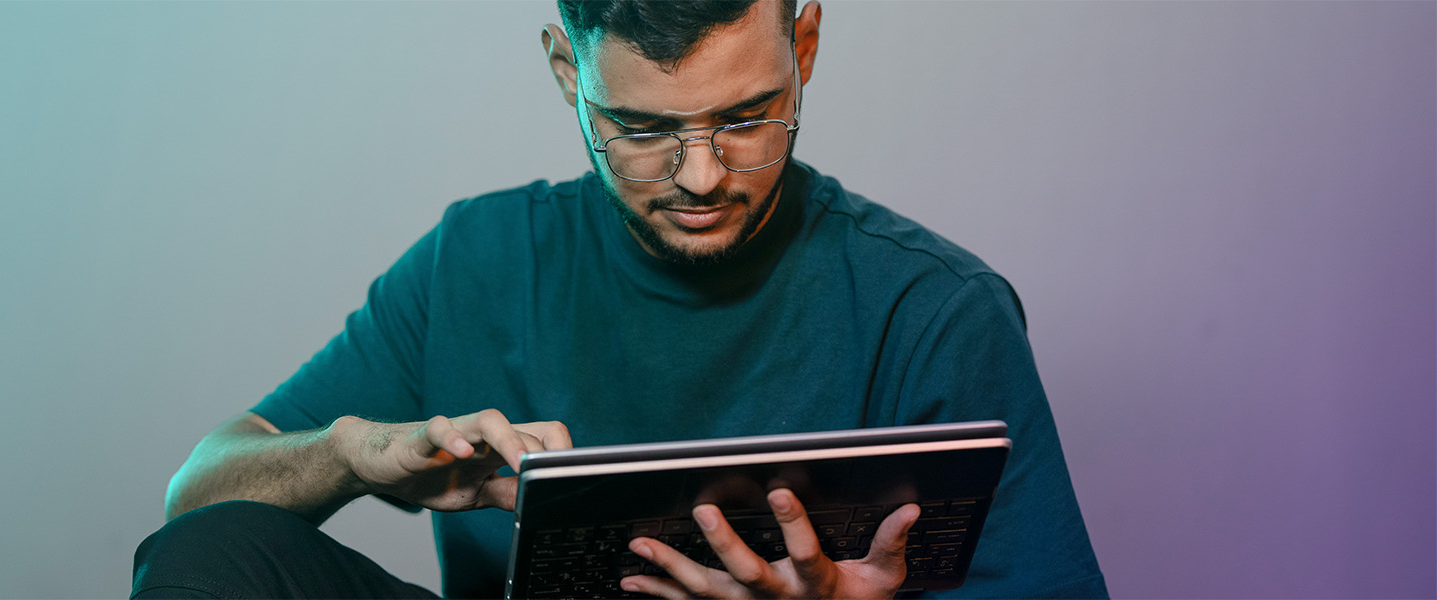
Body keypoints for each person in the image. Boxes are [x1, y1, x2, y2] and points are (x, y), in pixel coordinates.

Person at [131, 1, 1108, 598]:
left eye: (746, 116)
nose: (699, 176)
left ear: (803, 45)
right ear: (568, 73)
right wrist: (351, 453)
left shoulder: (935, 312)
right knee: (219, 553)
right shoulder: (477, 258)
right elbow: (195, 497)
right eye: (641, 128)